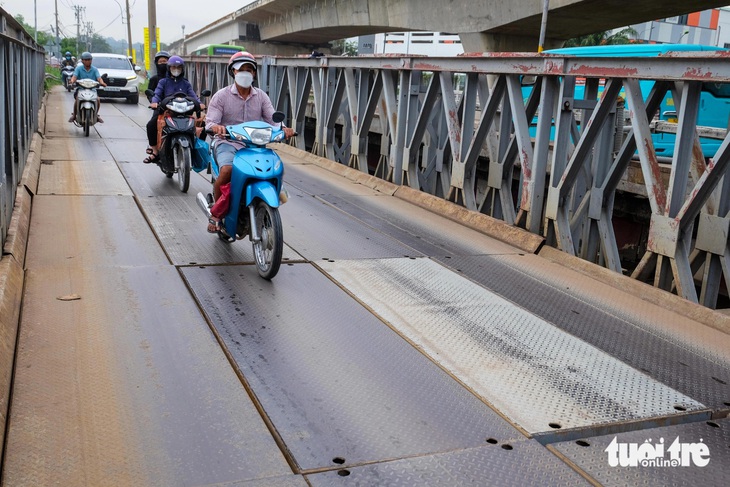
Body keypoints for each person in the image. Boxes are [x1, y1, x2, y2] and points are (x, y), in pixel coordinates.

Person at [205, 51, 295, 233]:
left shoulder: (261, 96)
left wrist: (284, 128)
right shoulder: (221, 96)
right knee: (227, 170)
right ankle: (217, 214)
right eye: (241, 69)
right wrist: (216, 127)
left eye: (249, 69)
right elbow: (211, 121)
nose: (245, 73)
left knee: (274, 167)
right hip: (227, 143)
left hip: (254, 146)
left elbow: (273, 119)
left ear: (254, 73)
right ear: (233, 72)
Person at [144, 55, 204, 163]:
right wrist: (154, 102)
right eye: (173, 67)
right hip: (167, 110)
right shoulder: (163, 82)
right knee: (151, 124)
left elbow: (193, 96)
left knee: (203, 123)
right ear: (169, 68)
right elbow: (157, 94)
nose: (176, 70)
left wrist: (200, 103)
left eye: (179, 67)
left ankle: (198, 151)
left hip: (184, 111)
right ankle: (154, 151)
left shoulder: (186, 83)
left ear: (182, 69)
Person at [68, 51, 107, 123]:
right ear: (82, 61)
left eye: (89, 59)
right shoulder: (78, 69)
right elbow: (74, 77)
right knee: (77, 99)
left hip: (92, 90)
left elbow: (99, 78)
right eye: (86, 60)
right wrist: (72, 81)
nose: (88, 61)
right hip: (81, 89)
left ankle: (96, 115)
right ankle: (74, 115)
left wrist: (102, 83)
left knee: (98, 99)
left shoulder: (94, 69)